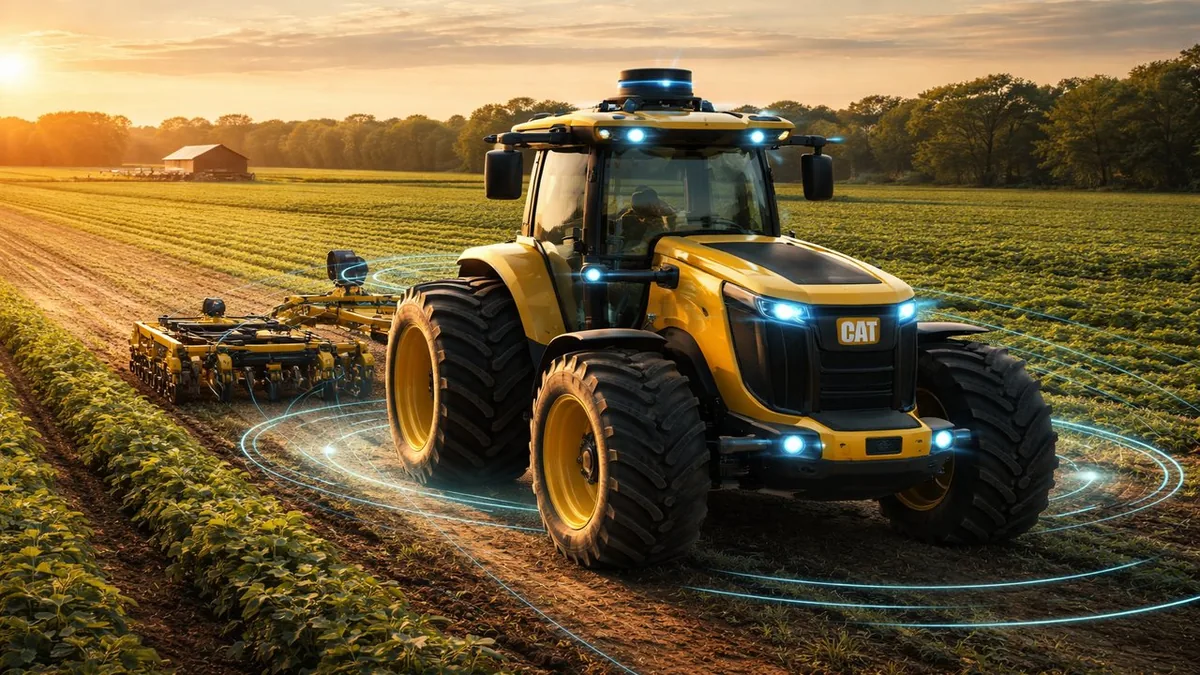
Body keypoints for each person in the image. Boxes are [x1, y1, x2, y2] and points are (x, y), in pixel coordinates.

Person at [616, 185, 676, 254]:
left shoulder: (628, 218)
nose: (658, 205)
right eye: (655, 203)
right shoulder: (648, 225)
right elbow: (643, 246)